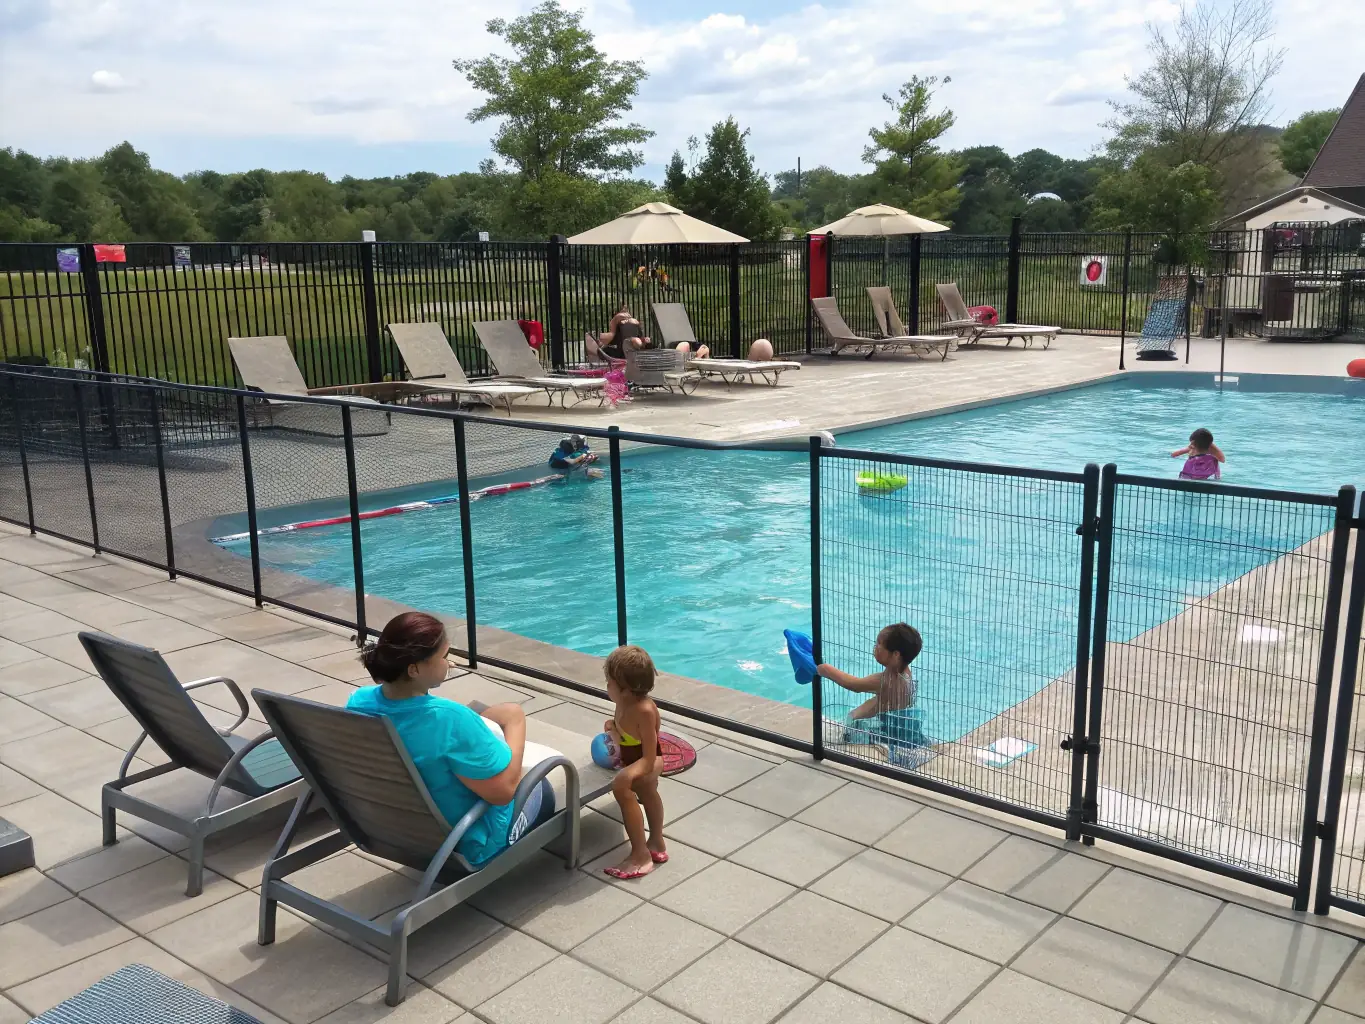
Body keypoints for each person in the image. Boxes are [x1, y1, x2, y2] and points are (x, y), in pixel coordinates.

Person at [346, 612, 553, 867]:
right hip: (468, 842)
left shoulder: (359, 702)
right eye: (444, 657)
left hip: (402, 831)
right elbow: (504, 793)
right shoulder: (450, 720)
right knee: (543, 785)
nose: (450, 663)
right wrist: (515, 722)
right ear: (414, 669)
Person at [817, 624, 926, 765]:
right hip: (905, 736)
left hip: (886, 740)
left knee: (828, 734)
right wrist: (854, 714)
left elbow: (854, 684)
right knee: (853, 718)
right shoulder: (906, 674)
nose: (876, 647)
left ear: (896, 654)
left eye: (879, 643)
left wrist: (824, 669)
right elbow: (884, 701)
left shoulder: (884, 680)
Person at [601, 645, 667, 880]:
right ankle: (656, 844)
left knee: (630, 789)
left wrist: (627, 775)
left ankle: (641, 854)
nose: (606, 686)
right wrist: (613, 726)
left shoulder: (644, 710)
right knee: (645, 793)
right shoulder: (624, 702)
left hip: (649, 761)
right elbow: (627, 731)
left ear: (625, 690)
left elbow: (650, 756)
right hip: (633, 757)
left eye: (609, 683)